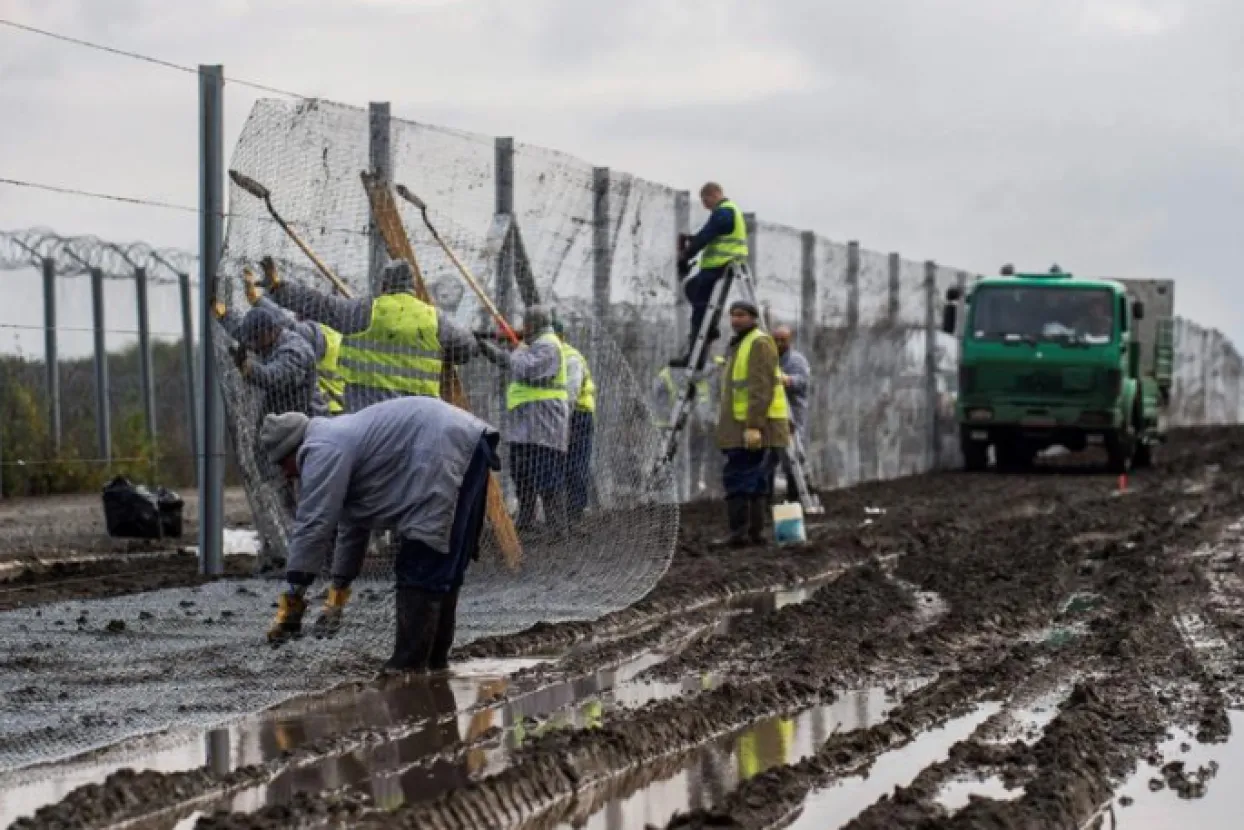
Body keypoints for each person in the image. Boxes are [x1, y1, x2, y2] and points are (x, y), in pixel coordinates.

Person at [259, 396, 501, 674]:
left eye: (282, 465)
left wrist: (294, 598)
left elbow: (313, 524)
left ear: (291, 451)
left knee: (423, 564)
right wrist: (337, 595)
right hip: (461, 444)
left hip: (441, 451)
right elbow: (353, 527)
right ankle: (434, 665)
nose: (286, 475)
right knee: (443, 566)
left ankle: (407, 668)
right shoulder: (338, 438)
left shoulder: (321, 448)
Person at [258, 256, 476, 413]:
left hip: (366, 420)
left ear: (383, 286)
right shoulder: (434, 319)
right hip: (417, 422)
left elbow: (320, 305)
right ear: (414, 288)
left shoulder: (364, 312)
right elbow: (467, 349)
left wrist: (279, 289)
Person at [475, 306, 571, 537]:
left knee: (547, 475)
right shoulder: (535, 345)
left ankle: (558, 529)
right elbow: (510, 361)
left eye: (525, 325)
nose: (522, 329)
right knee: (522, 473)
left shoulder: (548, 344)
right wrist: (485, 346)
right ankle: (526, 522)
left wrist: (517, 347)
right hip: (527, 423)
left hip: (544, 422)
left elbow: (523, 367)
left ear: (533, 324)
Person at [716, 300, 790, 547]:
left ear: (753, 318)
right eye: (733, 315)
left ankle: (740, 533)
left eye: (741, 315)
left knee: (738, 476)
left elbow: (761, 388)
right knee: (756, 479)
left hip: (752, 426)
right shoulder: (742, 344)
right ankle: (755, 533)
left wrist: (754, 426)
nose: (735, 320)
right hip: (745, 424)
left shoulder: (758, 342)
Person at [670, 182, 748, 369]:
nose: (704, 206)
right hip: (726, 264)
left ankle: (695, 355)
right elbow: (708, 234)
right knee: (693, 291)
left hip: (720, 265)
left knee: (700, 306)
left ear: (713, 195)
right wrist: (692, 241)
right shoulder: (729, 211)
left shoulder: (724, 212)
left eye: (705, 201)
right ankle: (708, 330)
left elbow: (708, 235)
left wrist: (686, 255)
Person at [553, 317, 596, 524]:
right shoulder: (553, 355)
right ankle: (566, 514)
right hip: (563, 416)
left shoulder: (570, 358)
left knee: (576, 465)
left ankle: (575, 514)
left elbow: (570, 393)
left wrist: (564, 422)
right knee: (561, 466)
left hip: (577, 416)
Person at [771, 325, 812, 498]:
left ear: (790, 341)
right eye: (776, 340)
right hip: (773, 412)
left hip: (793, 410)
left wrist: (788, 380)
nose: (779, 343)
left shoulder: (797, 361)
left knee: (794, 452)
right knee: (770, 454)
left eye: (783, 340)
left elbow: (803, 382)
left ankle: (799, 490)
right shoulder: (768, 359)